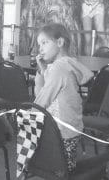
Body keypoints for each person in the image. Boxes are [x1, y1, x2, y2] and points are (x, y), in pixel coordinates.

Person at [34, 23, 93, 173]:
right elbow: (55, 86)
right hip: (71, 126)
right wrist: (42, 68)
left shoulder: (58, 68)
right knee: (67, 167)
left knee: (59, 169)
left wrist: (28, 112)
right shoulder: (68, 64)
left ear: (59, 43)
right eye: (39, 44)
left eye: (44, 43)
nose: (40, 48)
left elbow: (44, 97)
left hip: (61, 130)